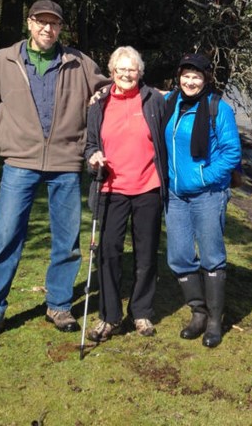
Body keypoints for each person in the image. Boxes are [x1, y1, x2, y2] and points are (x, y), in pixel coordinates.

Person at [0, 0, 111, 347]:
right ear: (29, 23)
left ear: (61, 28)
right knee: (6, 237)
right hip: (19, 163)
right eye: (41, 22)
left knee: (67, 240)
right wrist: (5, 135)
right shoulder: (5, 59)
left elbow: (106, 90)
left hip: (65, 164)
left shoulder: (79, 62)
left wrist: (97, 102)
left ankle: (58, 305)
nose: (47, 29)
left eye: (54, 24)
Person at [82, 46, 167, 342]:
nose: (127, 75)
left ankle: (141, 311)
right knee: (108, 252)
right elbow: (90, 143)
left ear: (140, 72)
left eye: (132, 70)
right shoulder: (99, 104)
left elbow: (170, 132)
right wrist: (93, 157)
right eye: (121, 69)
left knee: (146, 254)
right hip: (111, 188)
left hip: (148, 187)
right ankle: (109, 316)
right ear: (112, 72)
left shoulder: (155, 99)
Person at [164, 53, 242, 348]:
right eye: (186, 75)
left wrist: (203, 176)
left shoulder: (217, 108)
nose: (190, 81)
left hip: (208, 193)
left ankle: (214, 321)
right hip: (175, 194)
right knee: (180, 256)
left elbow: (232, 152)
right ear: (179, 76)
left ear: (206, 79)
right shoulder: (170, 103)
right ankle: (198, 312)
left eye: (197, 76)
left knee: (211, 255)